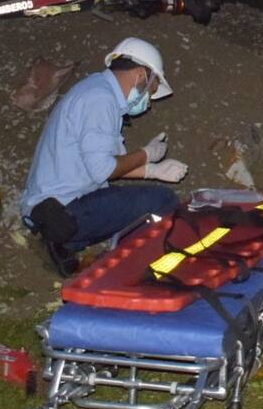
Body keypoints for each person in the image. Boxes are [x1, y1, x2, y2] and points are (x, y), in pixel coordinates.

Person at [20, 37, 187, 276]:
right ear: (140, 74)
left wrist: (154, 171)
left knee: (133, 200)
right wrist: (146, 154)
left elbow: (109, 165)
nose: (148, 102)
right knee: (163, 202)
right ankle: (127, 268)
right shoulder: (100, 100)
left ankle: (64, 245)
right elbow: (105, 170)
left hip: (56, 209)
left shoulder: (97, 92)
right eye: (150, 90)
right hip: (62, 209)